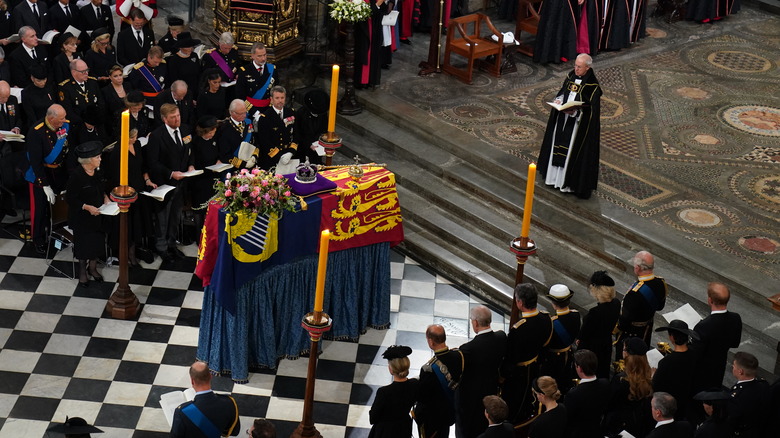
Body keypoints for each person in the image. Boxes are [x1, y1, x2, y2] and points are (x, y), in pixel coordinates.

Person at [537, 53, 602, 199]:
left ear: (587, 67)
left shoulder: (593, 87)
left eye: (579, 67)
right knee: (556, 147)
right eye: (575, 65)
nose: (576, 69)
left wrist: (575, 113)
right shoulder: (571, 76)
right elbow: (563, 92)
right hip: (562, 119)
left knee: (569, 153)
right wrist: (559, 100)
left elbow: (591, 112)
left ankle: (565, 183)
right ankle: (553, 179)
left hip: (576, 127)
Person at [144, 103, 194, 262]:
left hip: (182, 183)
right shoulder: (157, 136)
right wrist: (171, 173)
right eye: (173, 117)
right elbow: (153, 162)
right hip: (164, 183)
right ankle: (162, 247)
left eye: (178, 115)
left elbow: (189, 150)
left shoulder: (185, 130)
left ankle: (172, 244)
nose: (177, 119)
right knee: (163, 217)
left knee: (175, 215)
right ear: (164, 119)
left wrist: (191, 165)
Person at [501, 284, 552, 428]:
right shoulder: (546, 318)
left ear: (520, 303)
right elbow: (545, 345)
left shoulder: (518, 329)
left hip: (518, 374)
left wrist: (501, 376)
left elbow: (510, 358)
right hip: (535, 366)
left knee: (515, 400)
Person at [24, 104, 71, 254]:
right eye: (61, 118)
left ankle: (55, 234)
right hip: (41, 174)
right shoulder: (36, 132)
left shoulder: (63, 126)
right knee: (40, 209)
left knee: (57, 206)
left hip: (58, 172)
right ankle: (38, 239)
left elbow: (65, 150)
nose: (64, 121)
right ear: (51, 118)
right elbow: (36, 162)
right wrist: (44, 184)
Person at [456, 305, 507, 438]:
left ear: (475, 323)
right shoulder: (501, 337)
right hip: (492, 389)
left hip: (472, 398)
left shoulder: (468, 349)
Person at [107, 128, 155, 266]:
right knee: (129, 226)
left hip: (139, 189)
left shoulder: (137, 145)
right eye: (132, 137)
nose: (135, 139)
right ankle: (128, 256)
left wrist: (147, 180)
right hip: (126, 194)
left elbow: (143, 166)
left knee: (138, 224)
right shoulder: (117, 152)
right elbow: (115, 176)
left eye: (135, 137)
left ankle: (135, 252)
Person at [66, 141, 107, 287]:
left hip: (98, 214)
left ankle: (93, 268)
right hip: (82, 218)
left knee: (96, 242)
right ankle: (82, 272)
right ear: (89, 160)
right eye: (98, 157)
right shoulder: (77, 176)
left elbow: (101, 187)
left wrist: (105, 197)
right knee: (84, 246)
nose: (100, 159)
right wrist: (86, 207)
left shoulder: (98, 171)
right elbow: (70, 198)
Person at [615, 250, 668, 359]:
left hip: (631, 335)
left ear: (638, 268)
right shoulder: (661, 283)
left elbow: (623, 322)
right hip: (646, 330)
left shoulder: (634, 293)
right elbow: (660, 307)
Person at [690, 282, 742, 392]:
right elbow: (735, 343)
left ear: (710, 300)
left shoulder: (704, 326)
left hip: (701, 371)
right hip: (719, 365)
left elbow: (695, 353)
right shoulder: (735, 318)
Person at [414, 324, 463, 438]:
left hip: (433, 419)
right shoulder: (459, 355)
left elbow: (422, 397)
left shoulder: (428, 369)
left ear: (431, 342)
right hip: (450, 412)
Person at [170, 361, 240, 437]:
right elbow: (234, 432)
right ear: (210, 376)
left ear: (192, 381)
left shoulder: (181, 412)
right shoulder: (229, 402)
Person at [604, 337, 655, 437]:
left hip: (616, 425)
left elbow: (609, 402)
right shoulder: (649, 378)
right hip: (636, 424)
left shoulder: (621, 380)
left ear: (627, 354)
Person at [576, 270, 620, 378]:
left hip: (592, 349)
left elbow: (584, 334)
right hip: (606, 344)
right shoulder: (616, 303)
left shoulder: (595, 312)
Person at [368, 345, 419, 437]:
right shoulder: (414, 384)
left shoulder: (384, 392)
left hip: (385, 432)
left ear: (391, 370)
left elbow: (373, 419)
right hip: (404, 429)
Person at [652, 320, 700, 420]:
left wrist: (653, 374)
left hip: (669, 404)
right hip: (686, 400)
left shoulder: (667, 362)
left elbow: (656, 386)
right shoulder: (694, 354)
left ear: (672, 338)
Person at [541, 284, 580, 394]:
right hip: (568, 353)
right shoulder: (576, 315)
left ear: (553, 304)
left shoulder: (551, 322)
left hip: (553, 359)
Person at [561, 349, 610, 438]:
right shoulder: (605, 383)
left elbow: (567, 420)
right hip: (597, 430)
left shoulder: (573, 394)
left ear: (579, 368)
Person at [726, 352, 769, 438]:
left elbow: (730, 420)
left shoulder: (737, 396)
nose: (732, 367)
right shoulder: (763, 384)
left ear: (740, 371)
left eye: (734, 366)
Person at [190, 116, 221, 229]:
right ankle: (199, 237)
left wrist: (219, 160)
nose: (212, 135)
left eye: (214, 132)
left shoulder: (215, 139)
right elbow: (193, 160)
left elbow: (219, 153)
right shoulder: (195, 142)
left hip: (213, 178)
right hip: (200, 181)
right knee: (200, 211)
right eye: (210, 133)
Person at [255, 85, 296, 170]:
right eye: (277, 98)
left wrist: (291, 152)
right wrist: (279, 156)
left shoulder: (291, 113)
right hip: (272, 158)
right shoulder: (265, 117)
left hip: (289, 155)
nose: (280, 101)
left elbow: (297, 133)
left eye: (282, 98)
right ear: (271, 99)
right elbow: (264, 141)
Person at [235, 42, 278, 117]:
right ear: (252, 56)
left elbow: (276, 90)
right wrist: (255, 113)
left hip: (268, 109)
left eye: (264, 55)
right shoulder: (244, 71)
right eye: (259, 56)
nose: (263, 58)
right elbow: (240, 95)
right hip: (250, 110)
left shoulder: (272, 69)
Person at [58, 59, 104, 126]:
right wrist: (84, 123)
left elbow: (101, 103)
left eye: (87, 70)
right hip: (78, 125)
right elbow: (68, 111)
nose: (86, 73)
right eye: (83, 71)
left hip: (97, 122)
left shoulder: (92, 82)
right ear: (73, 72)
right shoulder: (65, 88)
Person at [354, 0, 387, 89]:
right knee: (364, 52)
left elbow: (384, 10)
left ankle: (370, 80)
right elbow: (363, 11)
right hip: (363, 28)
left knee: (373, 53)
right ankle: (361, 81)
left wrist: (382, 4)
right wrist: (377, 4)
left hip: (374, 26)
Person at [217, 99, 256, 170]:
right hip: (234, 168)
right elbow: (225, 155)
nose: (244, 116)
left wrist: (254, 156)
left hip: (251, 165)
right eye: (241, 113)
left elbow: (254, 141)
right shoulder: (224, 128)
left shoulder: (247, 122)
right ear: (231, 112)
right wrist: (243, 164)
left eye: (245, 112)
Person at [293, 88, 328, 165]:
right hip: (303, 147)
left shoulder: (323, 114)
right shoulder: (301, 113)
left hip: (317, 147)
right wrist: (309, 144)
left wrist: (320, 139)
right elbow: (297, 132)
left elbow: (323, 129)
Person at [21, 64, 55, 131]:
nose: (42, 83)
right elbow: (31, 115)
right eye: (39, 81)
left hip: (53, 122)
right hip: (37, 125)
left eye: (44, 79)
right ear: (32, 78)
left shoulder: (50, 87)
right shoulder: (26, 93)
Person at [102, 64, 132, 136]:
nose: (119, 78)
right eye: (115, 76)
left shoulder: (128, 85)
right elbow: (106, 110)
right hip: (115, 125)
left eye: (120, 75)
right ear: (110, 77)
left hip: (130, 121)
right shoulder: (105, 91)